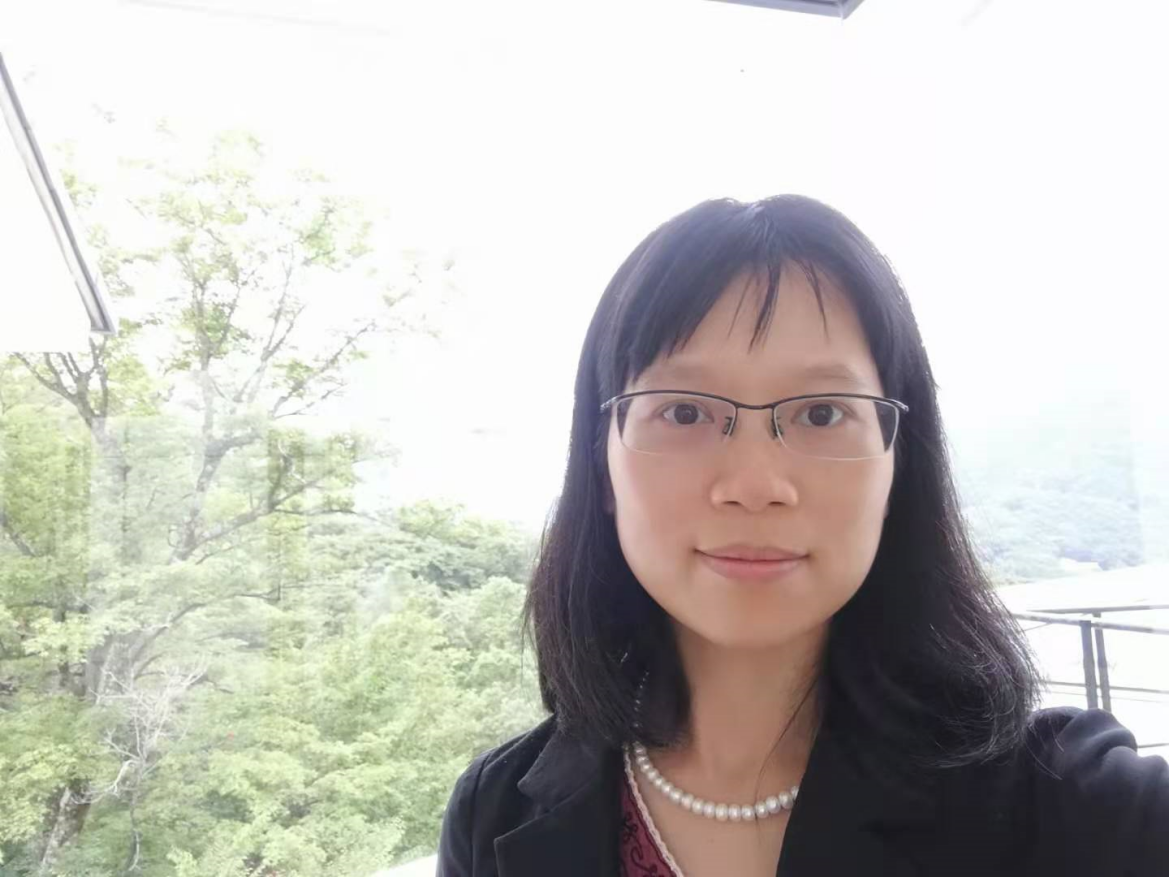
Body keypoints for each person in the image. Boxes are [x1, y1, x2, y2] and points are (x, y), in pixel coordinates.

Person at [435, 195, 1169, 877]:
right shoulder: (494, 812)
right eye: (684, 412)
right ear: (601, 465)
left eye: (821, 413)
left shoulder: (1075, 807)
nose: (755, 483)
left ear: (896, 467)